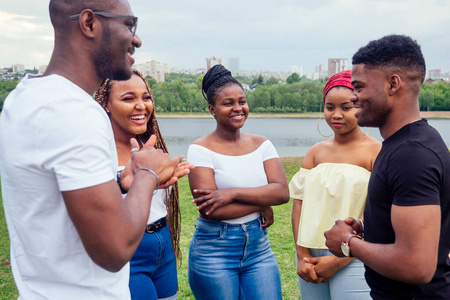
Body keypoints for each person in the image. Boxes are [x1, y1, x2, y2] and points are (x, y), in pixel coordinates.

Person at [0, 1, 190, 299]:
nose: (136, 39)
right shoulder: (74, 111)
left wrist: (119, 183)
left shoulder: (25, 97)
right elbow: (114, 249)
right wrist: (146, 174)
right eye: (129, 25)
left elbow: (52, 199)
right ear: (89, 23)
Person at [324, 34, 450, 299]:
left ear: (393, 84)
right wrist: (372, 226)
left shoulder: (412, 155)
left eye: (359, 87)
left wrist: (349, 243)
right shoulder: (405, 143)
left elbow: (417, 265)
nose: (353, 96)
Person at [186, 64, 289, 300]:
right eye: (227, 103)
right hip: (214, 248)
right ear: (212, 109)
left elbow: (282, 192)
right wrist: (262, 201)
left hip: (258, 247)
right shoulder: (200, 149)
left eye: (242, 101)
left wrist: (231, 193)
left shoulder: (262, 144)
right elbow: (211, 211)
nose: (237, 108)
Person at [95, 70, 189, 300]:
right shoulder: (95, 152)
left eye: (146, 97)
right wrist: (126, 183)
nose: (141, 105)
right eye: (129, 98)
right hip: (128, 255)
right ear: (106, 104)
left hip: (162, 248)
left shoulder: (152, 150)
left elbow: (160, 206)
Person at [289, 70, 381, 300]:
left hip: (356, 257)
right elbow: (299, 206)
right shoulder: (315, 153)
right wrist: (301, 256)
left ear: (360, 106)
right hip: (311, 257)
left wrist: (340, 259)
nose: (336, 115)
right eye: (330, 107)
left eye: (346, 107)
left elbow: (380, 215)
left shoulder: (376, 151)